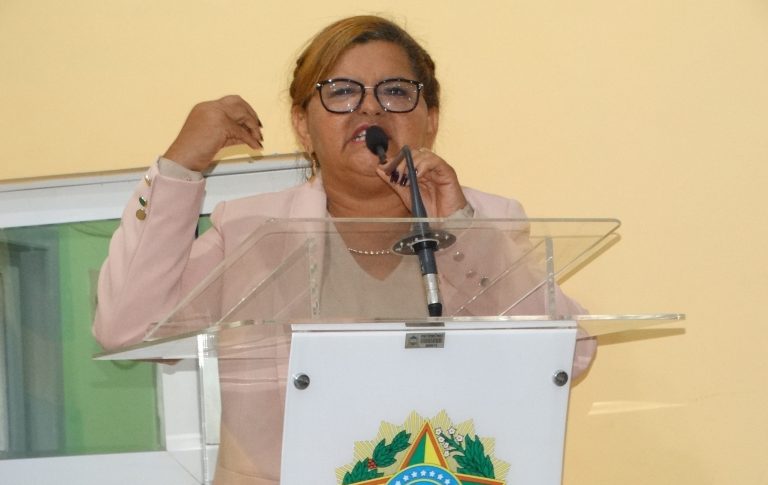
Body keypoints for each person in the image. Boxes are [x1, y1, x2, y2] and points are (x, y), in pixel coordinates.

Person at [93, 15, 596, 484]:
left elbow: (570, 355)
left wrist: (459, 228)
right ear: (303, 125)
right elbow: (126, 331)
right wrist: (181, 166)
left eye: (395, 91)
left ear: (431, 119)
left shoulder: (487, 220)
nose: (370, 108)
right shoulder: (250, 231)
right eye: (342, 92)